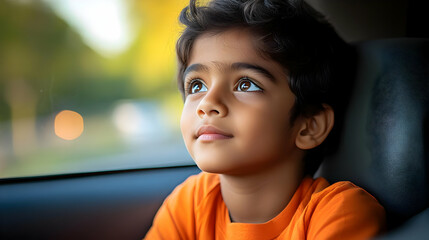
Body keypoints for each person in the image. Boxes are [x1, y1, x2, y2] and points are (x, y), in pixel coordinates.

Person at [144, 0, 385, 239]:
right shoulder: (190, 203)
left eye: (246, 84)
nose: (208, 103)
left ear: (309, 126)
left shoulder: (339, 213)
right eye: (197, 85)